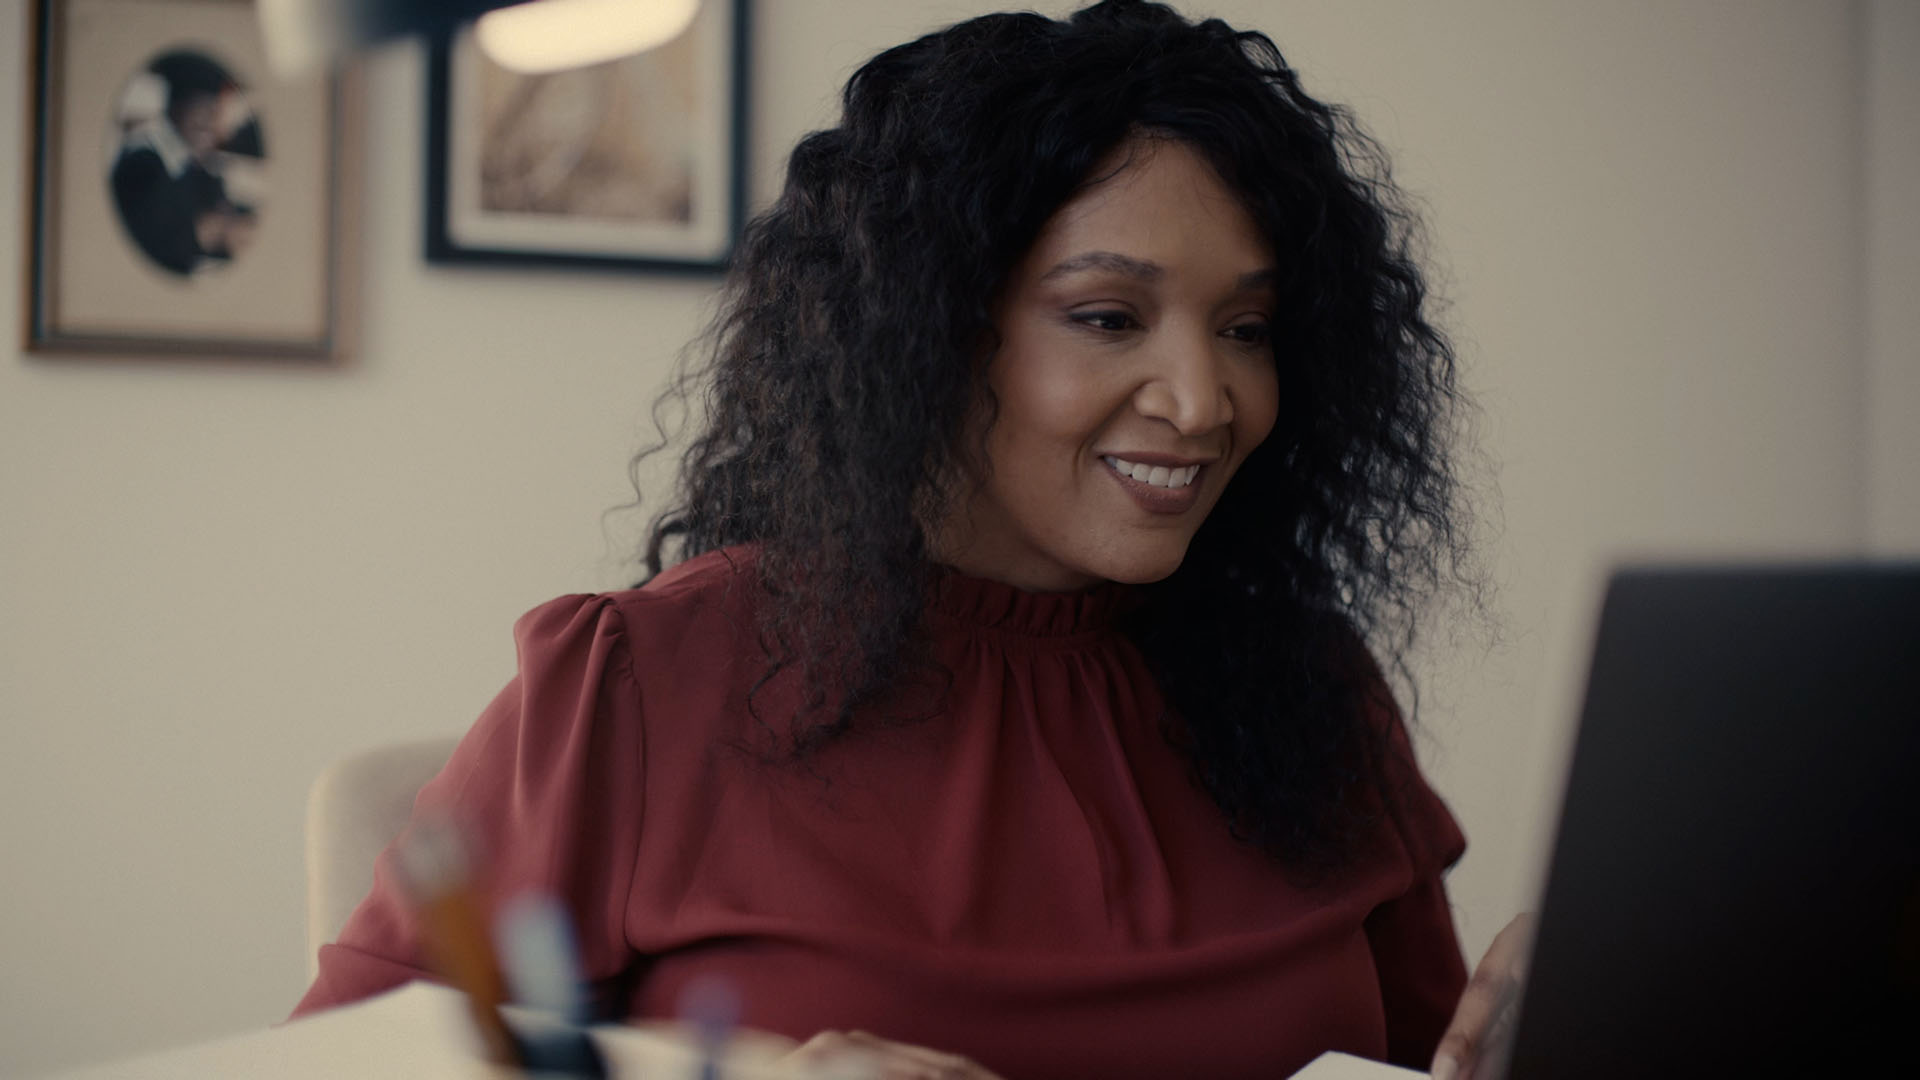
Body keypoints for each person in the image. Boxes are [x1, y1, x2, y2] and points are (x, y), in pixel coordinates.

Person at [294, 3, 1525, 1077]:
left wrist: (1560, 1022)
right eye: (1109, 317)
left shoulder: (1313, 695)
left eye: (1247, 330)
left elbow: (1427, 1059)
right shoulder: (637, 690)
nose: (1204, 402)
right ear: (930, 328)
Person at [109, 51, 260, 276]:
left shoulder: (198, 169)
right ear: (176, 109)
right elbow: (143, 247)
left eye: (214, 113)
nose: (209, 124)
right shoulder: (140, 164)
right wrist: (203, 234)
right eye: (202, 110)